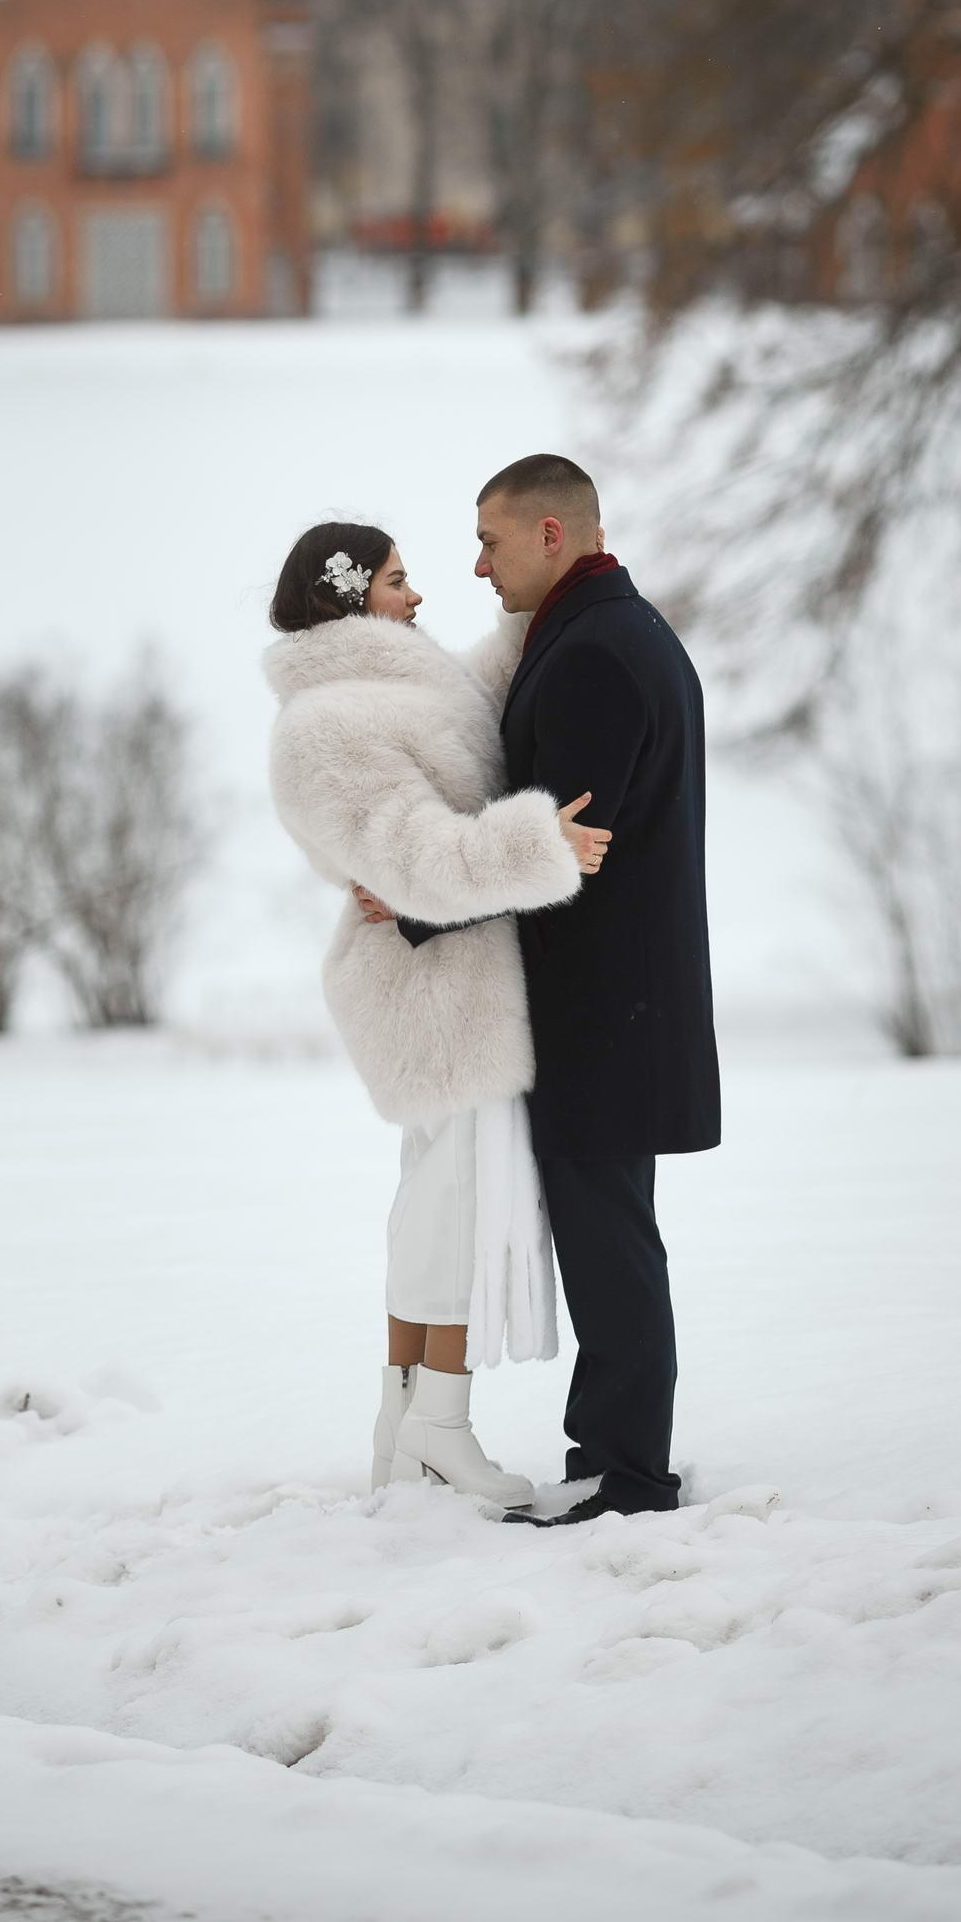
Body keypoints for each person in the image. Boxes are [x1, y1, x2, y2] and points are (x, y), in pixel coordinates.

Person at [361, 456, 719, 1525]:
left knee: (610, 1250)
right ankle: (613, 1458)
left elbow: (565, 848)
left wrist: (419, 901)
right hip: (615, 1008)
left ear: (553, 533)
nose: (475, 565)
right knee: (613, 1241)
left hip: (604, 1014)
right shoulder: (605, 634)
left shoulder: (598, 655)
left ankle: (624, 1473)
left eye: (491, 541)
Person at [263, 520, 611, 1505]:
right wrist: (535, 843)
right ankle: (438, 1427)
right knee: (449, 1205)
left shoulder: (398, 689)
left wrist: (560, 586)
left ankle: (404, 1420)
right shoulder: (326, 724)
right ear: (343, 595)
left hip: (442, 981)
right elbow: (416, 860)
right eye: (394, 580)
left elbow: (482, 692)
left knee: (433, 1200)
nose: (416, 596)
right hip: (426, 992)